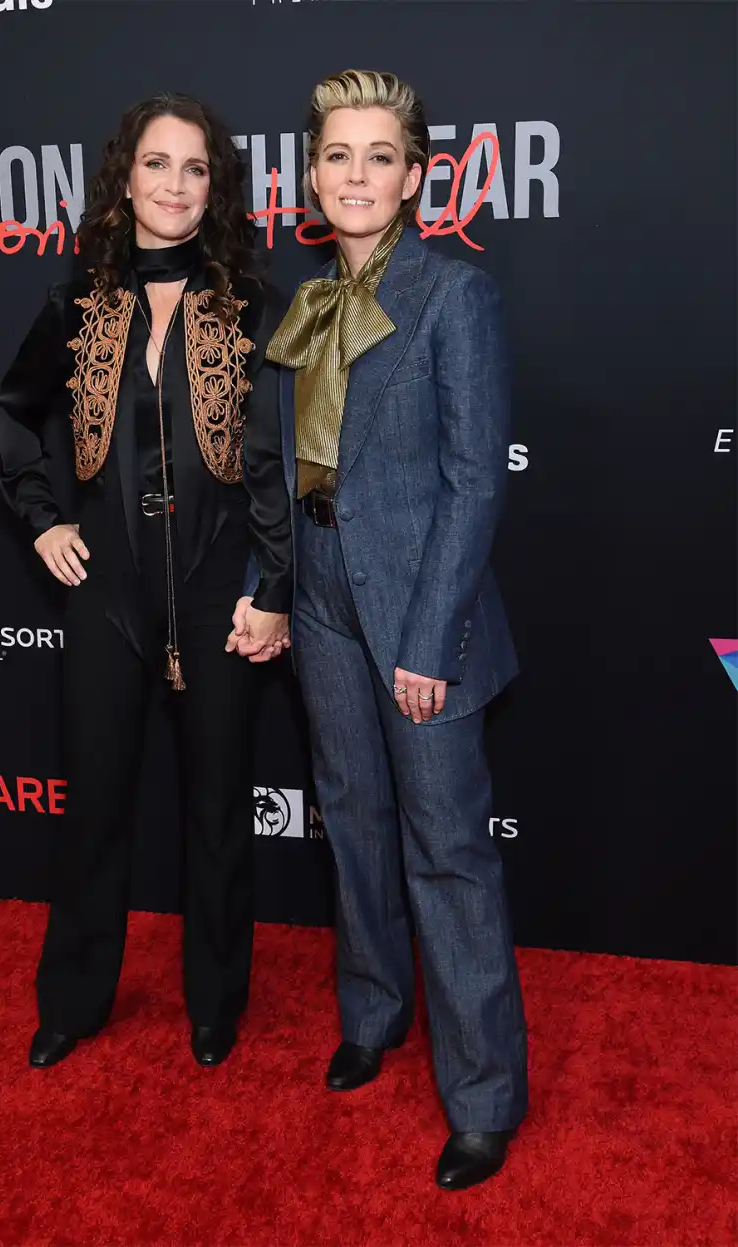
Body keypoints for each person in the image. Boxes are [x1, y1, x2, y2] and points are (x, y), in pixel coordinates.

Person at [241, 69, 528, 1189]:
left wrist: (428, 639)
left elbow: (472, 483)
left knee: (447, 849)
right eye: (333, 155)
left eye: (376, 156)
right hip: (319, 601)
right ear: (308, 175)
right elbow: (288, 471)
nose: (353, 175)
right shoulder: (301, 299)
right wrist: (276, 589)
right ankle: (371, 1013)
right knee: (351, 818)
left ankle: (483, 1094)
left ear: (413, 176)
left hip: (419, 616)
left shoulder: (454, 298)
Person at [0, 93, 291, 1072]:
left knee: (215, 812)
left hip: (218, 594)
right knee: (94, 808)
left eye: (194, 168)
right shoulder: (82, 301)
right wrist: (43, 522)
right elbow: (12, 413)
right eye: (157, 165)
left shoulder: (253, 306)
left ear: (216, 185)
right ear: (126, 178)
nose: (174, 185)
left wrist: (271, 584)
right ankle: (73, 999)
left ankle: (215, 999)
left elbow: (287, 464)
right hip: (106, 588)